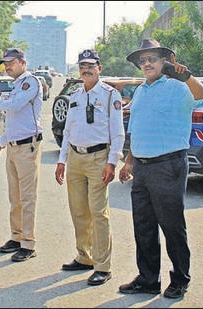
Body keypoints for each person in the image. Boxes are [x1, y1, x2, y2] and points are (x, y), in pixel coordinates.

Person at [118, 39, 203, 299]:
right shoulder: (141, 91)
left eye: (152, 59)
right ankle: (148, 279)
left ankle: (180, 279)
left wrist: (187, 76)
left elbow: (202, 95)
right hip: (142, 169)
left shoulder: (178, 87)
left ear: (164, 61)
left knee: (172, 226)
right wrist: (129, 162)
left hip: (168, 166)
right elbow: (136, 129)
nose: (146, 64)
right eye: (142, 60)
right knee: (143, 226)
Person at [54, 49, 125, 285]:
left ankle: (103, 266)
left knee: (99, 213)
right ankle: (85, 257)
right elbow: (67, 131)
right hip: (75, 158)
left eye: (91, 66)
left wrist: (112, 162)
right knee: (78, 211)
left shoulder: (109, 95)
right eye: (82, 66)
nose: (86, 69)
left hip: (98, 159)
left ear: (99, 68)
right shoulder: (75, 95)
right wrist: (62, 160)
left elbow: (118, 132)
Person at [0, 48, 44, 262]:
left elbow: (15, 105)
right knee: (15, 197)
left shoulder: (29, 82)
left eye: (11, 62)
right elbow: (13, 121)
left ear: (22, 62)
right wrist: (0, 143)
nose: (7, 67)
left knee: (27, 197)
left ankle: (28, 243)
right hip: (13, 146)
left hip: (27, 147)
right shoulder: (15, 85)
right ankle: (17, 236)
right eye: (5, 63)